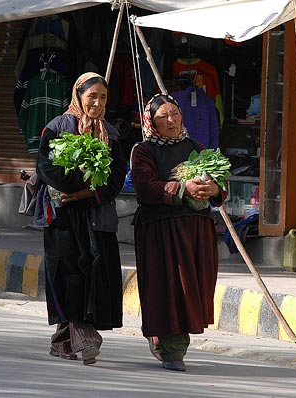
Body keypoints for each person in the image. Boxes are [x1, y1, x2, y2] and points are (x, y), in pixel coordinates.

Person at [130, 94, 228, 372]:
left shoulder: (195, 146)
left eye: (175, 113)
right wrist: (182, 189)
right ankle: (172, 349)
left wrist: (214, 189)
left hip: (196, 229)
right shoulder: (144, 151)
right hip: (161, 230)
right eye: (163, 117)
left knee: (192, 287)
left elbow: (218, 183)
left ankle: (166, 340)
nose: (171, 120)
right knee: (169, 286)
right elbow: (146, 187)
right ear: (151, 122)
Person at [36, 72, 126, 365]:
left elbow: (115, 178)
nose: (97, 103)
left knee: (95, 269)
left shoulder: (111, 134)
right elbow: (47, 169)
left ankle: (63, 341)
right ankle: (86, 336)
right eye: (92, 97)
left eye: (103, 98)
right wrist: (75, 188)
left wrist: (89, 194)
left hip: (97, 215)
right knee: (69, 272)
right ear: (79, 96)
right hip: (64, 217)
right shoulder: (57, 128)